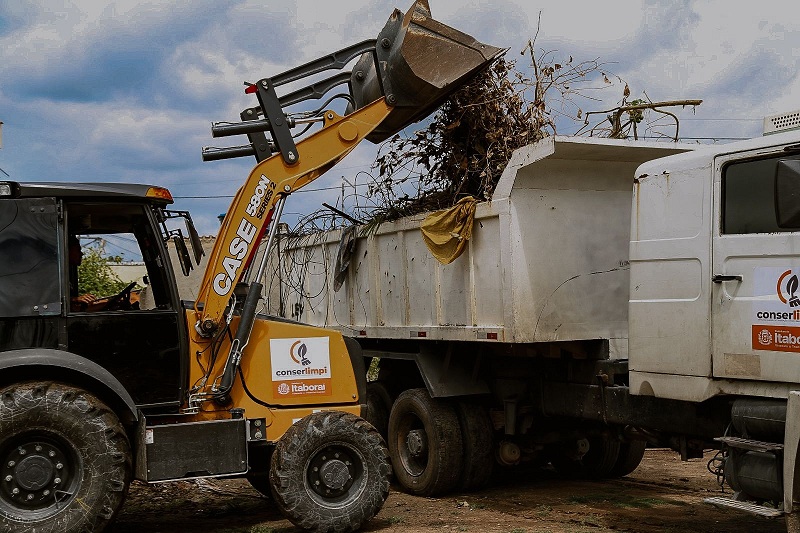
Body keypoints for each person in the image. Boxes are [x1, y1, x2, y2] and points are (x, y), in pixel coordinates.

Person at [68, 235, 96, 311]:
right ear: (66, 250)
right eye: (78, 250)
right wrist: (74, 299)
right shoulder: (53, 274)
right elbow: (51, 302)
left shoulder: (67, 273)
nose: (81, 254)